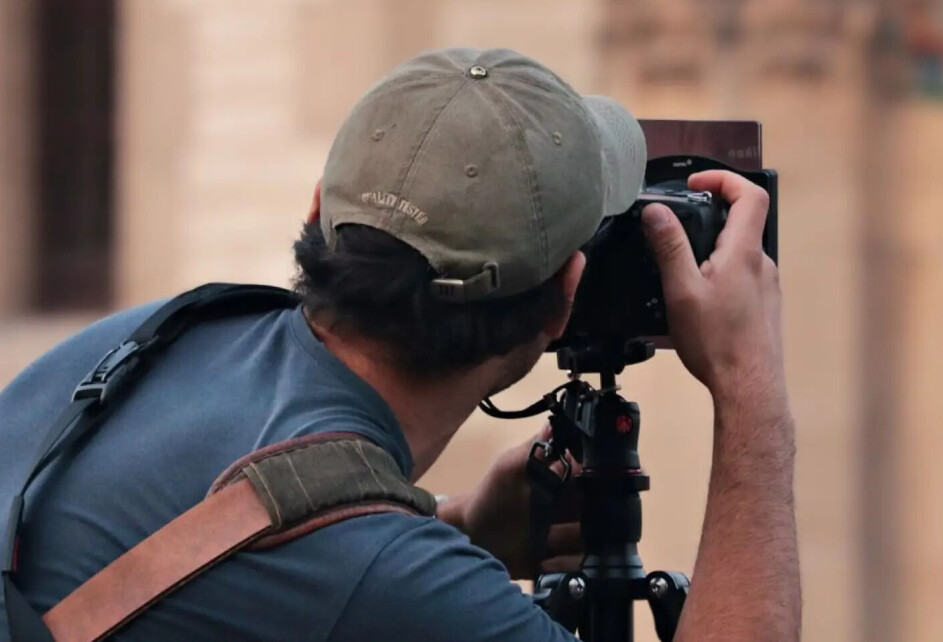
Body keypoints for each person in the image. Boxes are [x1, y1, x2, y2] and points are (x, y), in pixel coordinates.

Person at [0, 48, 799, 641]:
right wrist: (749, 388)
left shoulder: (149, 341)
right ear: (563, 298)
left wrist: (459, 530)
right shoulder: (387, 579)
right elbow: (346, 579)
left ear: (318, 212)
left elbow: (261, 577)